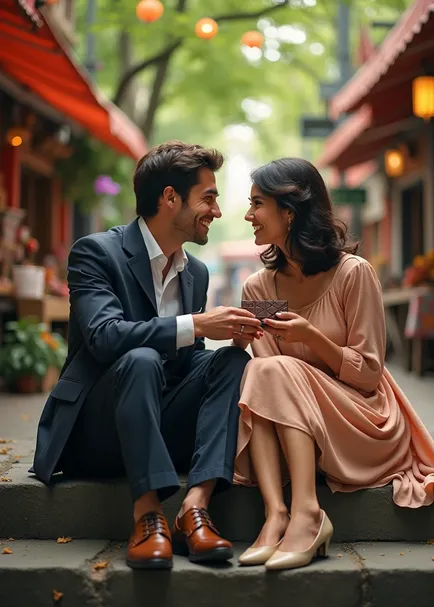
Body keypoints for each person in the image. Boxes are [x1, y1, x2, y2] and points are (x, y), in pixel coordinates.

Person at [232, 157, 434, 571]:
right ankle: (277, 515)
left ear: (288, 213)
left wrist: (311, 337)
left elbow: (367, 375)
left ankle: (307, 512)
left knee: (276, 370)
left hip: (364, 419)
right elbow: (267, 375)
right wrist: (246, 339)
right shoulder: (258, 286)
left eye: (257, 204)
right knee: (260, 369)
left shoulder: (353, 274)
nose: (248, 214)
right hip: (298, 425)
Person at [31, 141, 263, 570]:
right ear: (169, 197)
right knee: (140, 358)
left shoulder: (196, 271)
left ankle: (195, 507)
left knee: (231, 361)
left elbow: (188, 358)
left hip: (159, 423)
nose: (216, 210)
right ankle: (147, 516)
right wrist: (198, 325)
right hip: (96, 432)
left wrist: (232, 337)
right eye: (208, 198)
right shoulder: (96, 252)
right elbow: (103, 337)